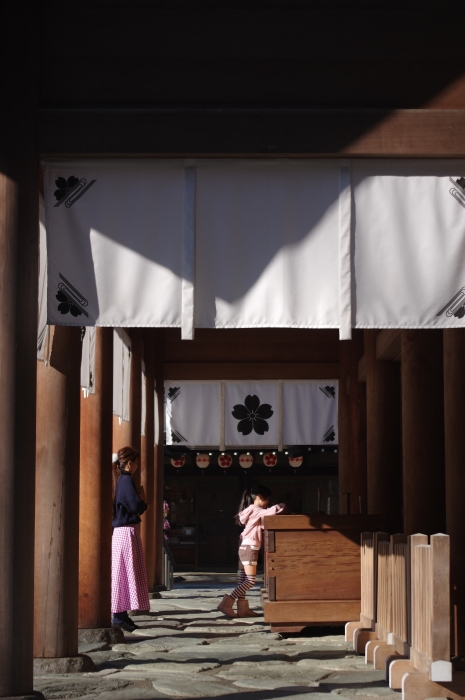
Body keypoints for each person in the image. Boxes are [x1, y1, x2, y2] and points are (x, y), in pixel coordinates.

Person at [217, 484, 287, 618]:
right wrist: (282, 505)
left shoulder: (251, 510)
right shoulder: (256, 510)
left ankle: (243, 609)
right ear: (261, 497)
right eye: (267, 500)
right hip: (250, 548)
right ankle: (227, 603)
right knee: (250, 581)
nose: (268, 503)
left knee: (243, 579)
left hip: (245, 547)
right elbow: (273, 511)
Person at [111, 446, 150, 632]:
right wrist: (144, 503)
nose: (136, 466)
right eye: (135, 463)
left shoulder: (121, 480)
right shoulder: (126, 480)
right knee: (125, 574)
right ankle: (119, 615)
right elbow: (135, 504)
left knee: (124, 574)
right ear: (129, 463)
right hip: (126, 531)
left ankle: (122, 614)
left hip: (123, 531)